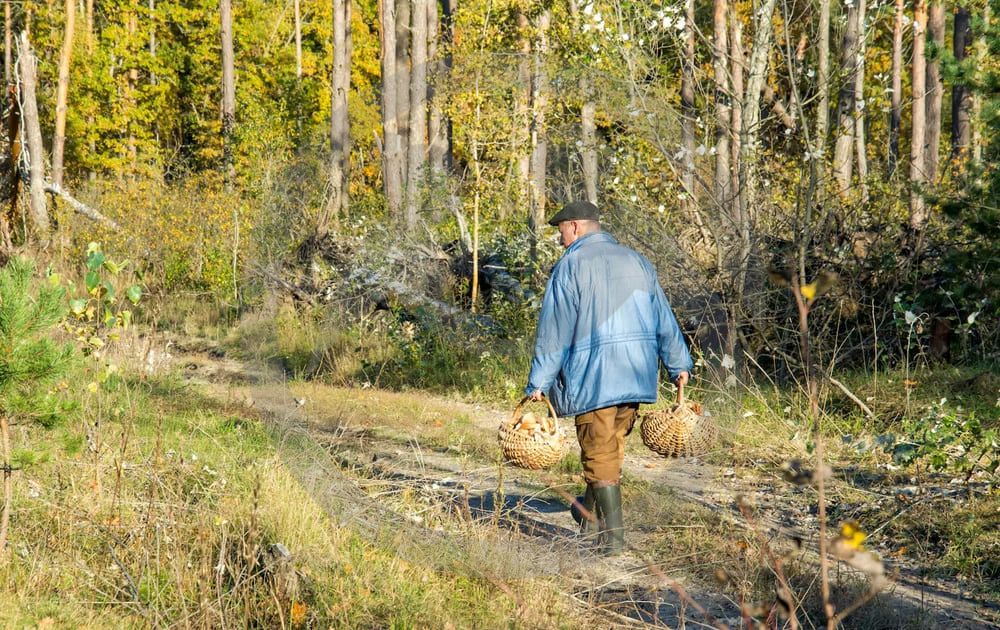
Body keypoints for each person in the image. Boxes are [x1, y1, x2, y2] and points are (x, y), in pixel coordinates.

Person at [525, 200, 692, 556]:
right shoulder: (637, 261)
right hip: (636, 375)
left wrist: (539, 382)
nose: (560, 238)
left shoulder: (570, 266)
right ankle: (585, 514)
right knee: (609, 450)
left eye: (561, 230)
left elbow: (554, 331)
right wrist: (678, 363)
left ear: (575, 226)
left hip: (594, 377)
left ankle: (613, 542)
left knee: (599, 453)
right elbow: (663, 317)